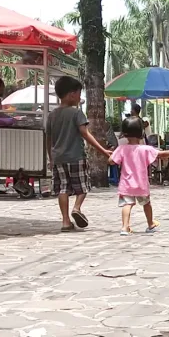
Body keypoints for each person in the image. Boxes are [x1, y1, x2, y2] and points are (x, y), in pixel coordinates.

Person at [46, 76, 111, 232]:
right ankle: (76, 208)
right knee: (82, 187)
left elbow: (48, 138)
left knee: (63, 189)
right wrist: (103, 150)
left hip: (59, 158)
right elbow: (85, 134)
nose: (80, 98)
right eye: (79, 94)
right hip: (76, 157)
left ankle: (65, 221)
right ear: (71, 94)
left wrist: (50, 157)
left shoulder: (52, 115)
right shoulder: (76, 113)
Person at [110, 116, 169, 236]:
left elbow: (111, 161)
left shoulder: (121, 149)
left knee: (127, 205)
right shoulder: (145, 149)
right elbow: (161, 154)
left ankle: (124, 227)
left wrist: (112, 154)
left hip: (126, 185)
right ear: (141, 133)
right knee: (146, 204)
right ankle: (150, 224)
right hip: (141, 185)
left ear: (124, 133)